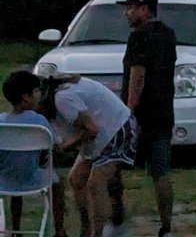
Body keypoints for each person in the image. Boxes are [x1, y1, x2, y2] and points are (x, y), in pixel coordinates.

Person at [40, 74, 137, 237]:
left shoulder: (62, 99)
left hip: (118, 129)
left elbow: (92, 129)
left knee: (95, 184)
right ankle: (90, 229)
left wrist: (65, 147)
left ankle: (97, 233)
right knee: (77, 180)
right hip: (99, 137)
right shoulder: (51, 104)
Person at [117, 0, 176, 237]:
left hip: (140, 114)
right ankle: (166, 226)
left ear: (144, 9)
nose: (126, 13)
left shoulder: (139, 37)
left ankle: (116, 219)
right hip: (163, 112)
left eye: (131, 8)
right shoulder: (168, 35)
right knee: (160, 172)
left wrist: (129, 112)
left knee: (113, 166)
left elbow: (137, 75)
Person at [1, 69, 67, 237]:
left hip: (4, 181)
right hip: (32, 179)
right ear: (26, 96)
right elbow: (55, 145)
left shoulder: (1, 121)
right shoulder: (39, 122)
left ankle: (15, 229)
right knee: (58, 184)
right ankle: (59, 231)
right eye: (37, 91)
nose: (39, 95)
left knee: (15, 173)